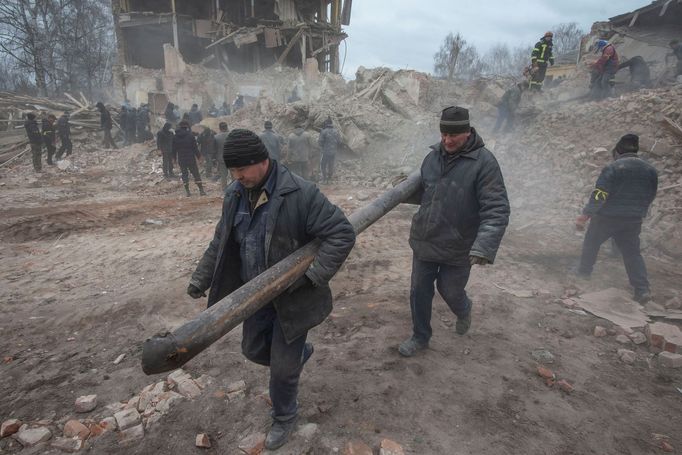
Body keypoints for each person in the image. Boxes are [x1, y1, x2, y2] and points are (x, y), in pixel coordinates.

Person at [187, 129, 355, 450]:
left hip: (294, 299)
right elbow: (221, 241)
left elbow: (341, 233)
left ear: (262, 161)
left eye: (242, 170)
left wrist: (313, 276)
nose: (237, 177)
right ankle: (295, 360)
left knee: (282, 370)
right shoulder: (234, 195)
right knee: (251, 350)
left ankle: (285, 416)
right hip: (255, 295)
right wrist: (201, 277)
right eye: (232, 172)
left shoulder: (301, 193)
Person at [398, 106, 510, 357]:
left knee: (449, 290)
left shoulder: (485, 163)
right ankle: (420, 336)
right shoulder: (432, 157)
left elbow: (497, 207)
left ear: (468, 133)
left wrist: (484, 245)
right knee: (419, 291)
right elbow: (428, 192)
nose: (447, 140)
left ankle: (464, 308)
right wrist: (404, 189)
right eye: (443, 134)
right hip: (426, 239)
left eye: (453, 135)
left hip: (459, 244)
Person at [575, 134, 658, 303]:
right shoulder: (650, 170)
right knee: (632, 253)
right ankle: (642, 289)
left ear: (617, 151)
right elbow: (651, 195)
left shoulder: (613, 168)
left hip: (607, 217)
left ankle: (583, 273)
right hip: (633, 220)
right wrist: (639, 212)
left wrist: (585, 215)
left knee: (592, 242)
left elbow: (599, 194)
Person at [172, 120, 206, 196]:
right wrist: (199, 157)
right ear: (186, 127)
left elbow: (173, 149)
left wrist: (174, 158)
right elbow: (195, 148)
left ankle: (188, 192)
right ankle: (201, 190)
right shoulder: (190, 135)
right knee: (195, 173)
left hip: (181, 158)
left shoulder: (175, 137)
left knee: (184, 174)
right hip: (190, 158)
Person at [318, 118, 341, 183]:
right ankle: (330, 179)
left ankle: (324, 179)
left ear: (326, 124)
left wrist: (322, 146)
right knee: (331, 164)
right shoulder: (336, 131)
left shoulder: (323, 131)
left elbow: (320, 142)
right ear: (331, 124)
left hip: (325, 152)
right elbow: (339, 141)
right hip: (333, 151)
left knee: (323, 165)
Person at [213, 122, 230, 189]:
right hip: (232, 157)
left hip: (221, 158)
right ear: (227, 127)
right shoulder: (231, 135)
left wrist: (214, 158)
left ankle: (224, 188)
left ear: (220, 128)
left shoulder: (216, 137)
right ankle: (235, 187)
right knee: (234, 174)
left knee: (223, 175)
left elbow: (214, 149)